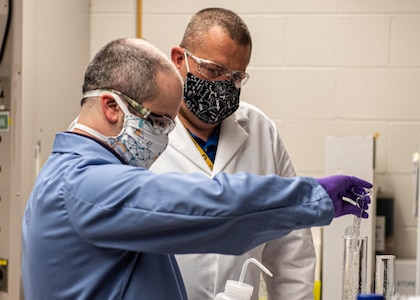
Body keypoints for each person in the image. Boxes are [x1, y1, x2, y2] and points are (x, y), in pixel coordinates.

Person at [22, 37, 372, 300]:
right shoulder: (84, 184)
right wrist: (314, 196)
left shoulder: (73, 175)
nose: (163, 137)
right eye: (158, 121)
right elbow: (210, 206)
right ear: (111, 107)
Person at [149, 7, 347, 300]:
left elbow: (291, 249)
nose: (223, 86)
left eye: (236, 77)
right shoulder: (142, 134)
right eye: (214, 70)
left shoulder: (260, 130)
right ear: (179, 59)